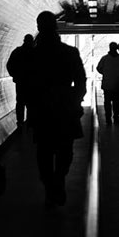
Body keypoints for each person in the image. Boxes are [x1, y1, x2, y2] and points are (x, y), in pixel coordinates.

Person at [27, 11, 87, 209]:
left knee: (43, 151)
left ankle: (50, 186)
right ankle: (58, 180)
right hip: (65, 109)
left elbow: (23, 80)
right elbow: (80, 81)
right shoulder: (69, 53)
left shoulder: (32, 55)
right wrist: (76, 102)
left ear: (38, 27)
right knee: (65, 150)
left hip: (41, 110)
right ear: (56, 26)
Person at [6, 34, 34, 127]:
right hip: (32, 83)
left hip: (21, 82)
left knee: (20, 102)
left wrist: (15, 76)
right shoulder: (35, 53)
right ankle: (30, 122)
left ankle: (20, 122)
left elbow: (9, 65)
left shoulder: (17, 51)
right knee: (31, 102)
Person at [97, 42, 119, 125]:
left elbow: (99, 68)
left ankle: (108, 118)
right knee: (116, 102)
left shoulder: (105, 58)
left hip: (107, 84)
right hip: (118, 84)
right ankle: (116, 117)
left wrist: (106, 73)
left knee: (107, 102)